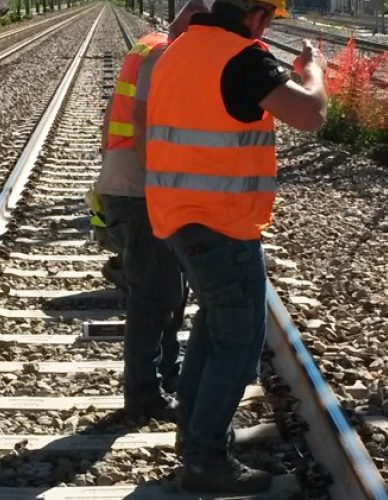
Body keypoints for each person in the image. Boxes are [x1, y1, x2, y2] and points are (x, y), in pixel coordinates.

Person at [143, 0, 328, 493]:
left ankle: (194, 438)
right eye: (268, 18)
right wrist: (314, 72)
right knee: (239, 344)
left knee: (212, 327)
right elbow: (311, 114)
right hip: (221, 224)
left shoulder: (178, 50)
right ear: (257, 15)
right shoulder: (241, 57)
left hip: (179, 218)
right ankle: (205, 461)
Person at [93, 0, 210, 418]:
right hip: (141, 190)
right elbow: (147, 127)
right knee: (155, 296)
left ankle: (166, 375)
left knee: (170, 292)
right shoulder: (165, 54)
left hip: (135, 184)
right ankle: (143, 393)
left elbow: (113, 121)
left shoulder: (151, 44)